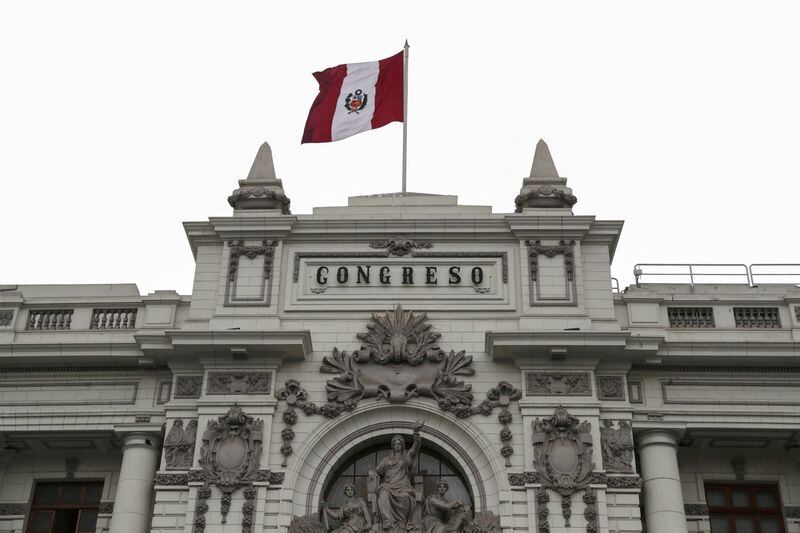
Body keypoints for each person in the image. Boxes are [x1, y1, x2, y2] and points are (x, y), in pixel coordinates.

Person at [368, 420, 423, 531]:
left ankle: (401, 522)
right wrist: (371, 473)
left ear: (402, 446)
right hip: (389, 486)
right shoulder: (386, 460)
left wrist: (416, 433)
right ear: (393, 446)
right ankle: (387, 521)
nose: (397, 445)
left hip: (403, 487)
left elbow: (414, 449)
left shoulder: (406, 458)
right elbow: (376, 470)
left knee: (406, 497)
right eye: (395, 444)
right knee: (383, 493)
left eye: (399, 444)